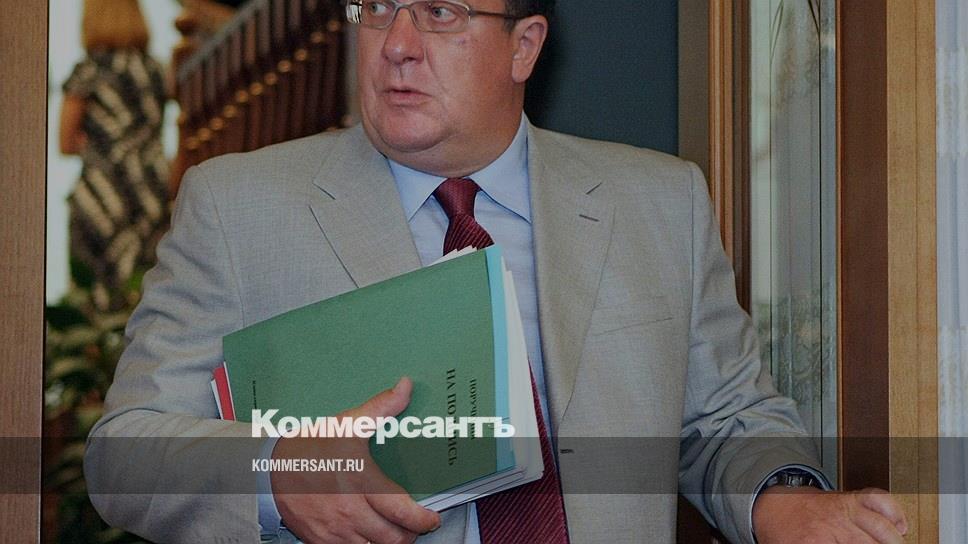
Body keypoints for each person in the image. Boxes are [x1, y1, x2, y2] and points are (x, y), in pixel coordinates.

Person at [84, 1, 909, 543]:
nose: (396, 46)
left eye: (440, 13)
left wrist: (784, 500)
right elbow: (124, 457)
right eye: (376, 9)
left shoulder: (661, 203)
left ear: (524, 46)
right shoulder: (236, 207)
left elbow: (724, 419)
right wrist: (281, 475)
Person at [59, 0, 170, 311]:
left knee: (94, 296)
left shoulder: (89, 71)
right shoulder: (155, 70)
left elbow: (65, 143)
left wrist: (102, 143)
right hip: (150, 191)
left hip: (102, 195)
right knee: (147, 289)